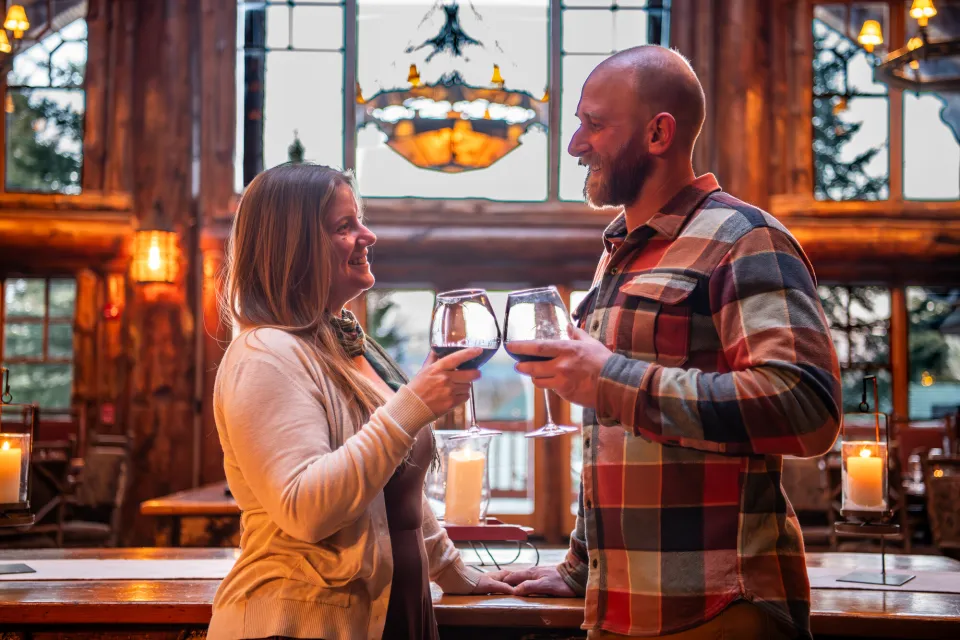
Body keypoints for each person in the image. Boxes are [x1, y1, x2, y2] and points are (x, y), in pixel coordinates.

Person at [500, 45, 842, 640]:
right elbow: (615, 441)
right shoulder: (620, 252)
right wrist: (583, 567)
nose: (576, 144)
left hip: (719, 610)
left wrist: (610, 377)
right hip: (619, 608)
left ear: (659, 133)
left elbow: (807, 407)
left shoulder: (746, 237)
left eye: (594, 125)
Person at [208, 163, 513, 640]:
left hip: (396, 612)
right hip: (298, 621)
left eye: (360, 221)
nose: (367, 235)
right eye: (344, 226)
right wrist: (412, 404)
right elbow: (305, 509)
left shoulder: (348, 343)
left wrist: (456, 571)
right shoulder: (265, 353)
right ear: (294, 247)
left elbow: (394, 492)